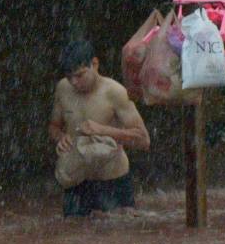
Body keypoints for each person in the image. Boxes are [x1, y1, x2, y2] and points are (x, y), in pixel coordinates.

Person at [47, 39, 151, 217]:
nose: (74, 82)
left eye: (80, 75)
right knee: (72, 236)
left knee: (117, 238)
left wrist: (103, 130)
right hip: (77, 182)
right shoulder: (63, 88)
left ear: (94, 64)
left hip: (112, 182)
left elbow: (144, 140)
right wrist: (60, 137)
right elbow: (53, 126)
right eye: (69, 76)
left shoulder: (115, 92)